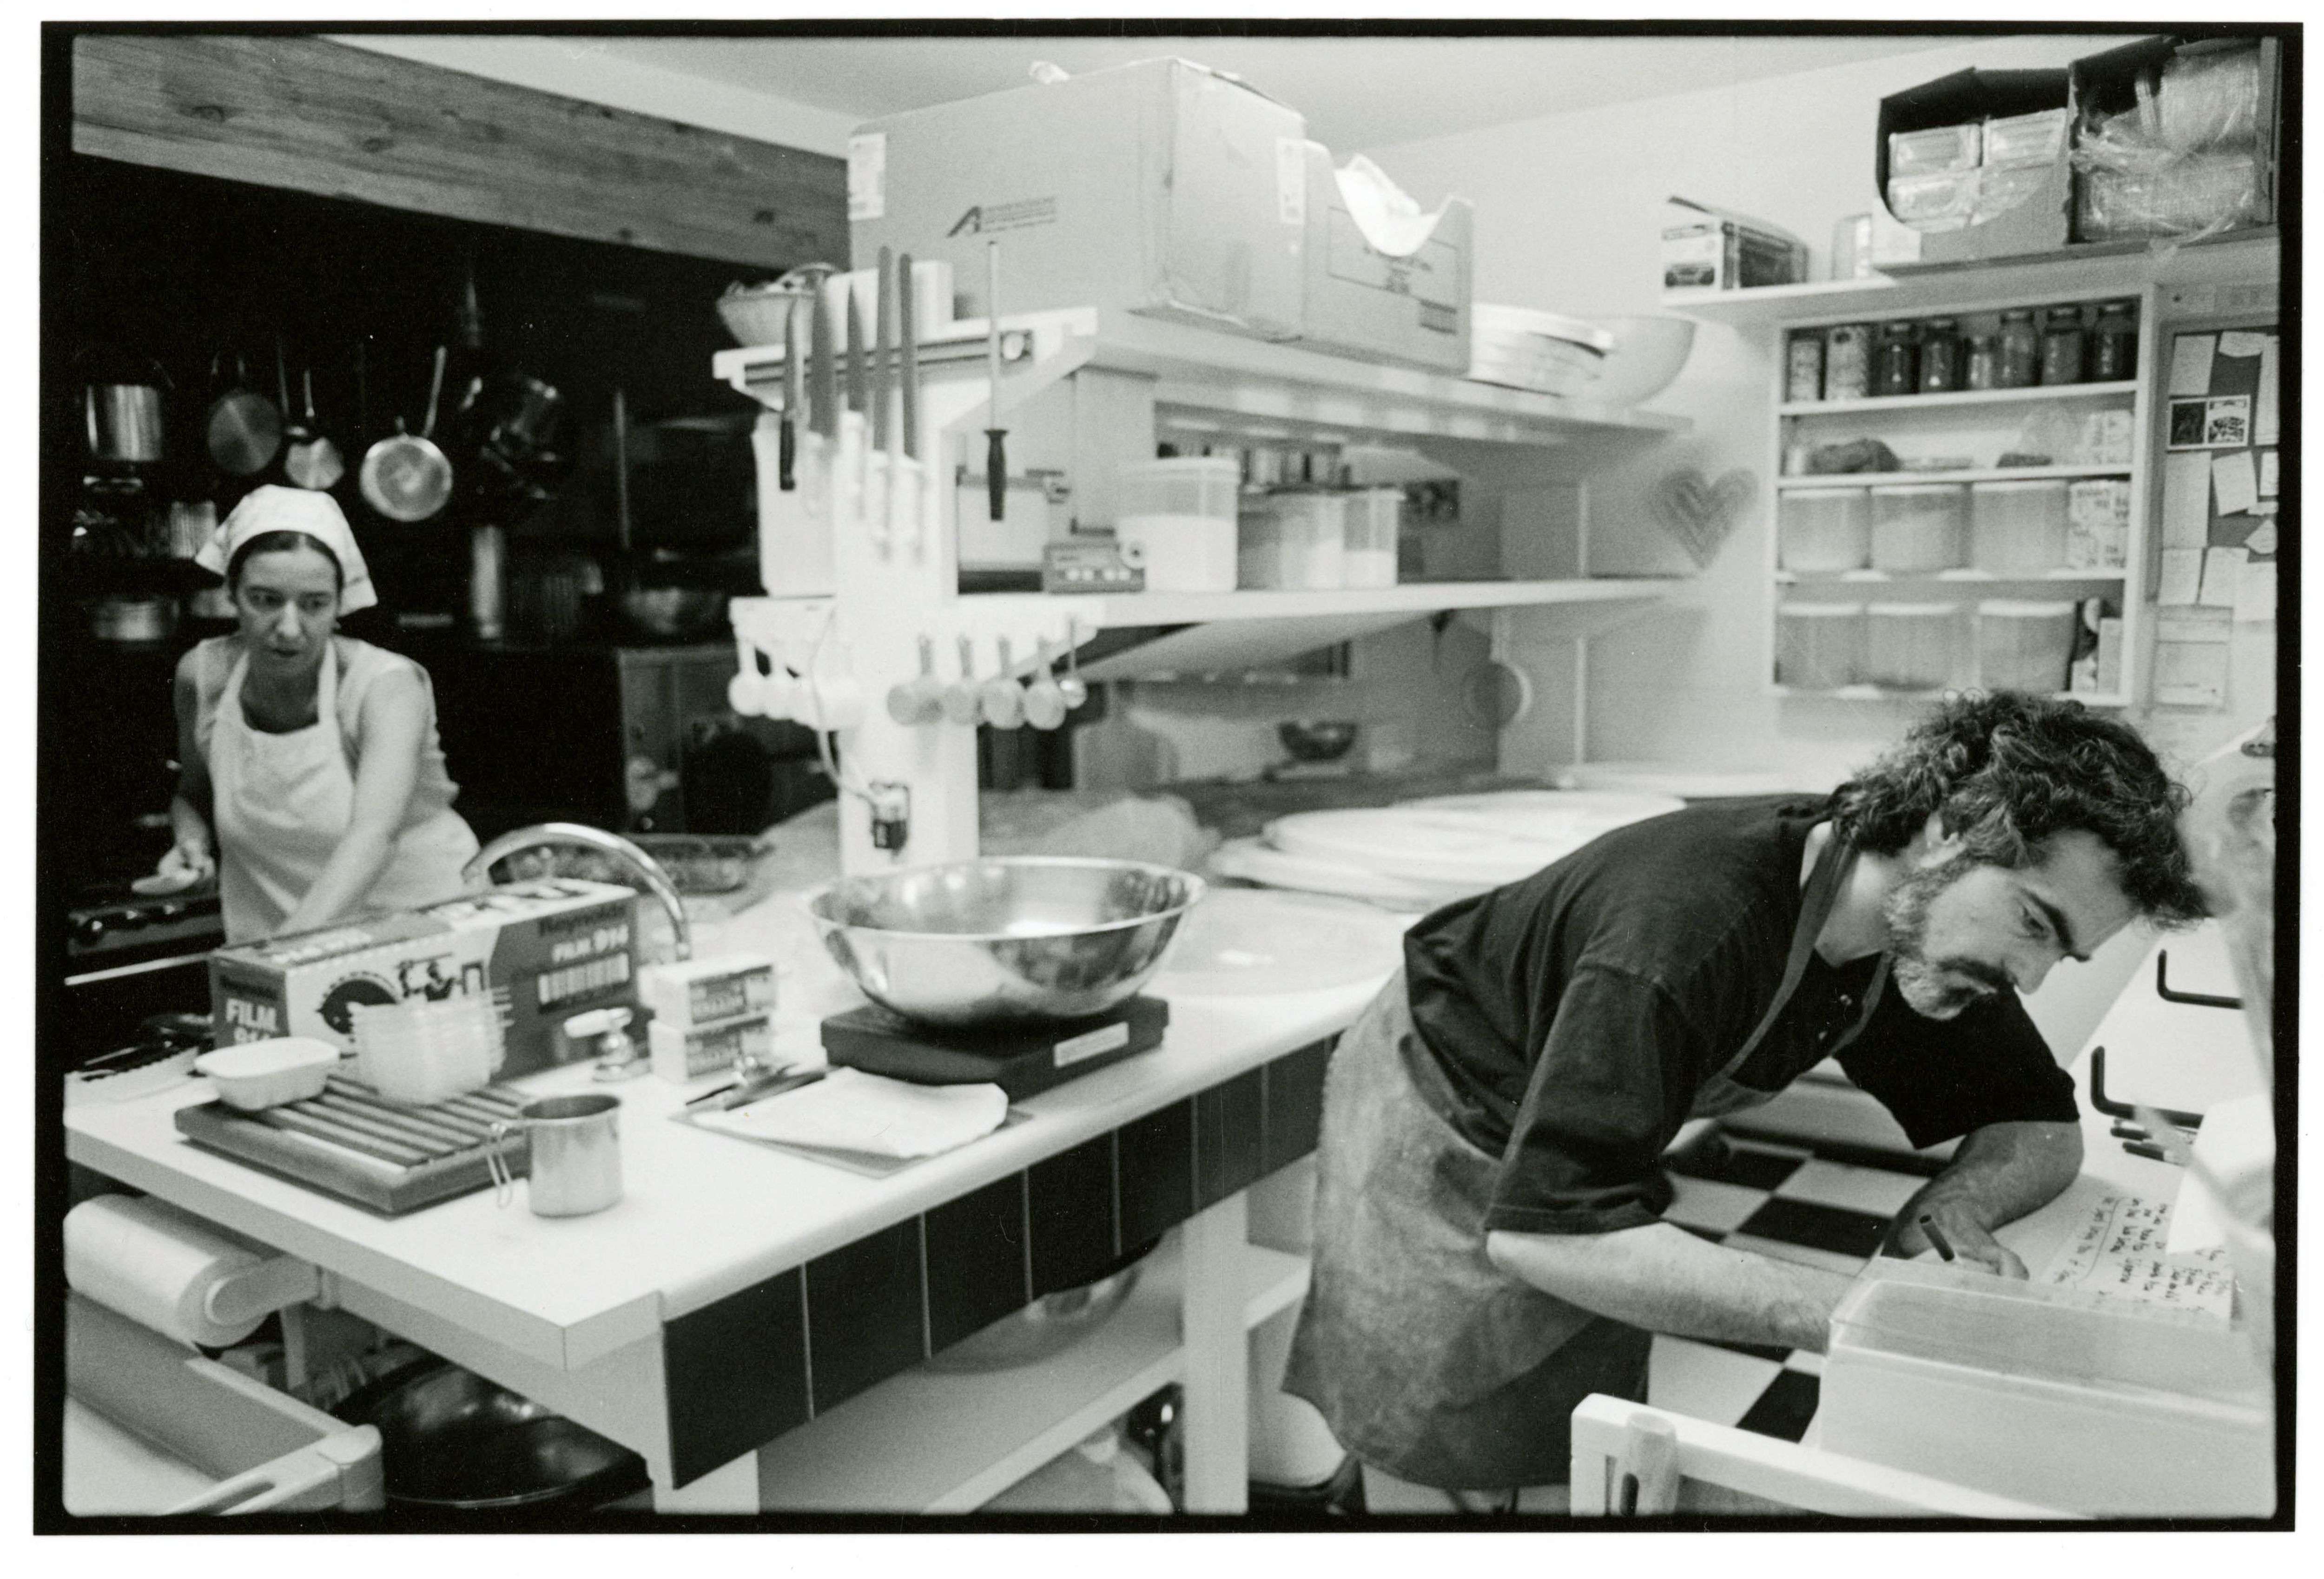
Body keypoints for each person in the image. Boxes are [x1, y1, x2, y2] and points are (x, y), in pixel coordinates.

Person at [1282, 691, 2207, 1510]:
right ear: (1947, 832)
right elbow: (1546, 1236)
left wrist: (1955, 1209)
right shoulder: (1691, 929)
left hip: (1565, 1161)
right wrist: (1866, 1310)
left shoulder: (1906, 929)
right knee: (1435, 1438)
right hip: (1440, 1103)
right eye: (2034, 923)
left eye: (2061, 953)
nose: (2033, 978)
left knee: (1575, 1431)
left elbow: (2040, 1127)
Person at [156, 486, 480, 942]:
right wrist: (191, 844)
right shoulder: (205, 677)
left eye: (314, 604)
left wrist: (279, 955)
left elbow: (374, 836)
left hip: (421, 935)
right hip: (277, 941)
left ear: (339, 603)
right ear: (232, 593)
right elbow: (193, 793)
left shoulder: (384, 687)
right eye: (265, 599)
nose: (290, 628)